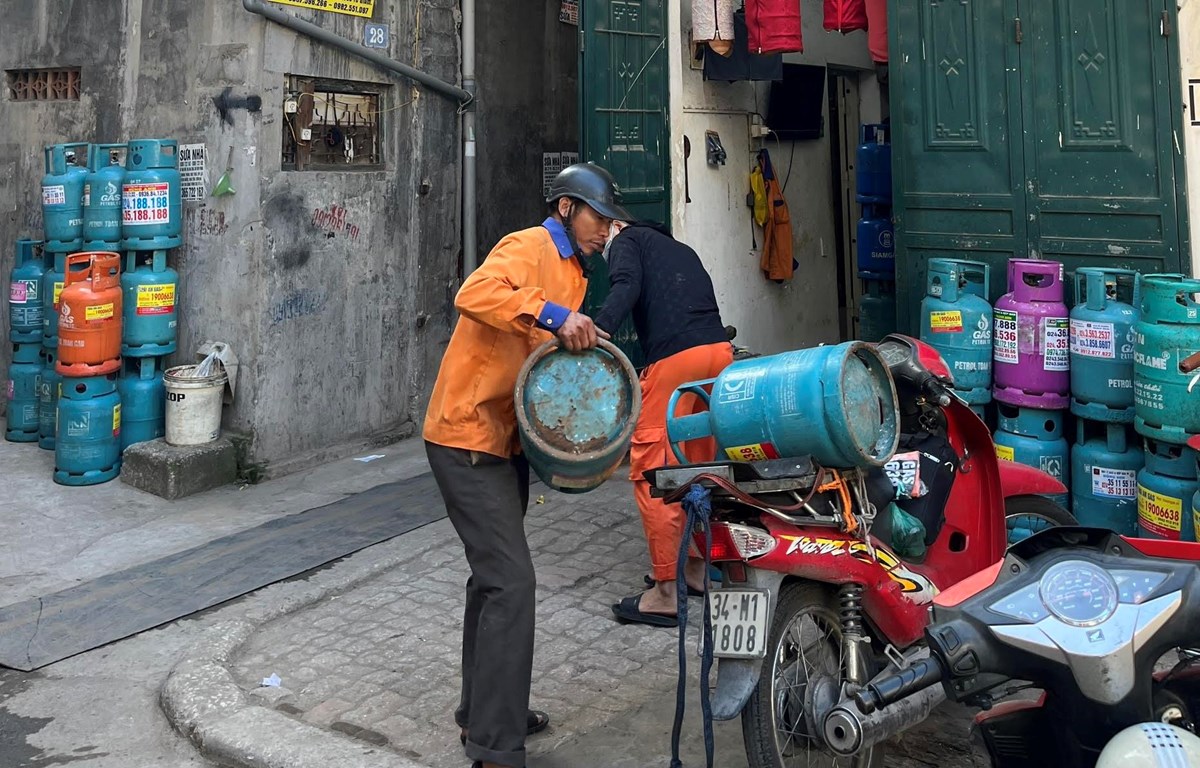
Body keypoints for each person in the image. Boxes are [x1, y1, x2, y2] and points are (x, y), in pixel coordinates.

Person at [423, 163, 633, 768]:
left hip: (505, 441)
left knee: (492, 583)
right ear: (568, 208)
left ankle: (485, 713)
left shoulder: (574, 271)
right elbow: (474, 294)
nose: (606, 230)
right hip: (466, 437)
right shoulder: (529, 245)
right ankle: (494, 746)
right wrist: (552, 315)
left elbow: (541, 364)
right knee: (511, 584)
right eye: (598, 217)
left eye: (610, 221)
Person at [594, 221, 732, 628]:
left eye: (604, 233)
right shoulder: (680, 249)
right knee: (696, 465)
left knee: (654, 468)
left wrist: (597, 330)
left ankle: (666, 593)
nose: (602, 242)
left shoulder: (626, 239)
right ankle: (696, 569)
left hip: (676, 360)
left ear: (617, 225)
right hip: (718, 354)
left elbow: (626, 285)